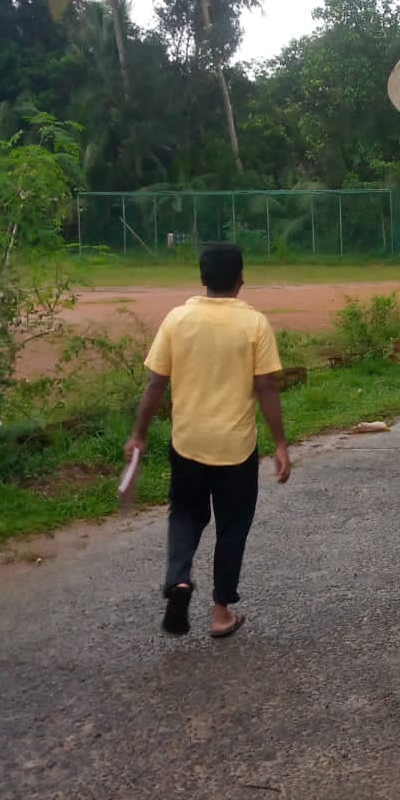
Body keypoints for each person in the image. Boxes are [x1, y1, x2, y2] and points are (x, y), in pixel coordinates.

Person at [125, 243, 291, 639]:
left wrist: (139, 433)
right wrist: (281, 443)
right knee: (232, 526)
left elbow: (155, 383)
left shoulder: (178, 319)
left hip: (188, 444)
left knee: (184, 515)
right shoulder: (254, 324)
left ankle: (179, 580)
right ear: (240, 280)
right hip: (236, 448)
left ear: (202, 279)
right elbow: (266, 386)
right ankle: (220, 613)